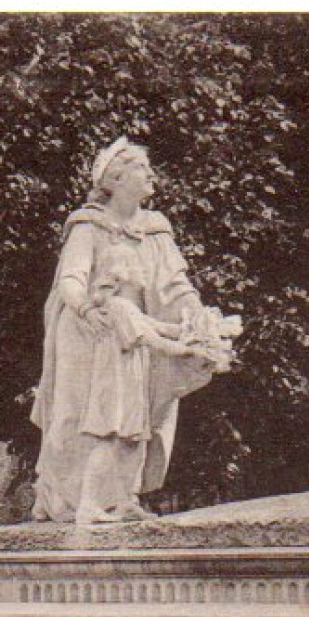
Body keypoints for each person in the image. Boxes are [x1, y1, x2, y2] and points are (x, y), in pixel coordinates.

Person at [30, 137, 221, 525]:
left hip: (133, 336)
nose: (151, 174)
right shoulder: (88, 225)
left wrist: (198, 320)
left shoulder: (155, 229)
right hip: (90, 330)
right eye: (142, 168)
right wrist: (86, 307)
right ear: (116, 179)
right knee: (80, 417)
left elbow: (175, 285)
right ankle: (68, 498)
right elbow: (70, 280)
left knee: (137, 417)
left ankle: (123, 496)